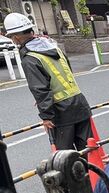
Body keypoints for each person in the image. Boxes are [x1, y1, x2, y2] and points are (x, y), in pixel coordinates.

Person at [2, 12, 93, 151]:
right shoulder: (53, 47)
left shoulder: (30, 58)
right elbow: (64, 72)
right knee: (88, 151)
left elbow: (40, 90)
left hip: (61, 111)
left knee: (66, 158)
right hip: (80, 102)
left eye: (11, 37)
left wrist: (46, 116)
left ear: (16, 37)